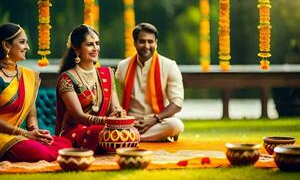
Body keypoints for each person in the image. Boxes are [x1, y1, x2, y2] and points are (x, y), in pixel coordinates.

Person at [0, 23, 71, 162]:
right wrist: (25, 133)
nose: (27, 47)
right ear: (6, 46)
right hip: (3, 137)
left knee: (64, 144)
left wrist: (35, 131)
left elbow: (31, 113)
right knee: (43, 153)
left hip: (20, 136)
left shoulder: (28, 76)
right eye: (22, 42)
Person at [56, 24, 124, 153]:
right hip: (75, 133)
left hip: (104, 128)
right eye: (90, 44)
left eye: (97, 43)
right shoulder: (67, 78)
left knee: (127, 131)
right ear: (76, 49)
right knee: (101, 132)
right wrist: (107, 121)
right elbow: (79, 116)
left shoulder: (107, 74)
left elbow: (115, 108)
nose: (96, 48)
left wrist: (118, 114)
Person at [115, 22, 184, 142]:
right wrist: (125, 120)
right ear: (135, 43)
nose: (146, 46)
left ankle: (130, 138)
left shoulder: (169, 65)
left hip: (157, 121)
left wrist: (154, 119)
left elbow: (177, 103)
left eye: (150, 41)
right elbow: (115, 98)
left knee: (175, 125)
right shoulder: (123, 66)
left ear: (156, 43)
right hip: (130, 123)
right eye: (142, 41)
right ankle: (141, 136)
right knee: (104, 126)